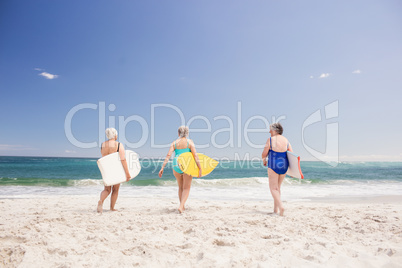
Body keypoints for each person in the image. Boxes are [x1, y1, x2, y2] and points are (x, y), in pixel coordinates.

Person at [159, 126, 202, 213]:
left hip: (176, 164)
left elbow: (168, 155)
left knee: (180, 187)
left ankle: (182, 206)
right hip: (187, 165)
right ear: (187, 133)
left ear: (178, 133)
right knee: (186, 187)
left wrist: (162, 167)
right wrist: (199, 168)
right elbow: (195, 155)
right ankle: (181, 206)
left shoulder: (174, 143)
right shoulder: (190, 142)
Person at [261, 123, 293, 216]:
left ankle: (281, 207)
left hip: (273, 164)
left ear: (275, 130)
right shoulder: (286, 140)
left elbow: (264, 153)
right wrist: (292, 170)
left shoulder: (270, 140)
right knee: (278, 188)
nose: (269, 131)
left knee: (273, 188)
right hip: (284, 165)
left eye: (270, 129)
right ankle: (275, 210)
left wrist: (264, 161)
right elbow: (291, 155)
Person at [97, 128, 130, 213]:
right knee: (115, 190)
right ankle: (112, 208)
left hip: (106, 169)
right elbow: (123, 159)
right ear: (115, 135)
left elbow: (104, 158)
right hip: (116, 169)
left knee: (107, 190)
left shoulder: (103, 144)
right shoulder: (118, 144)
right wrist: (127, 173)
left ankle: (101, 201)